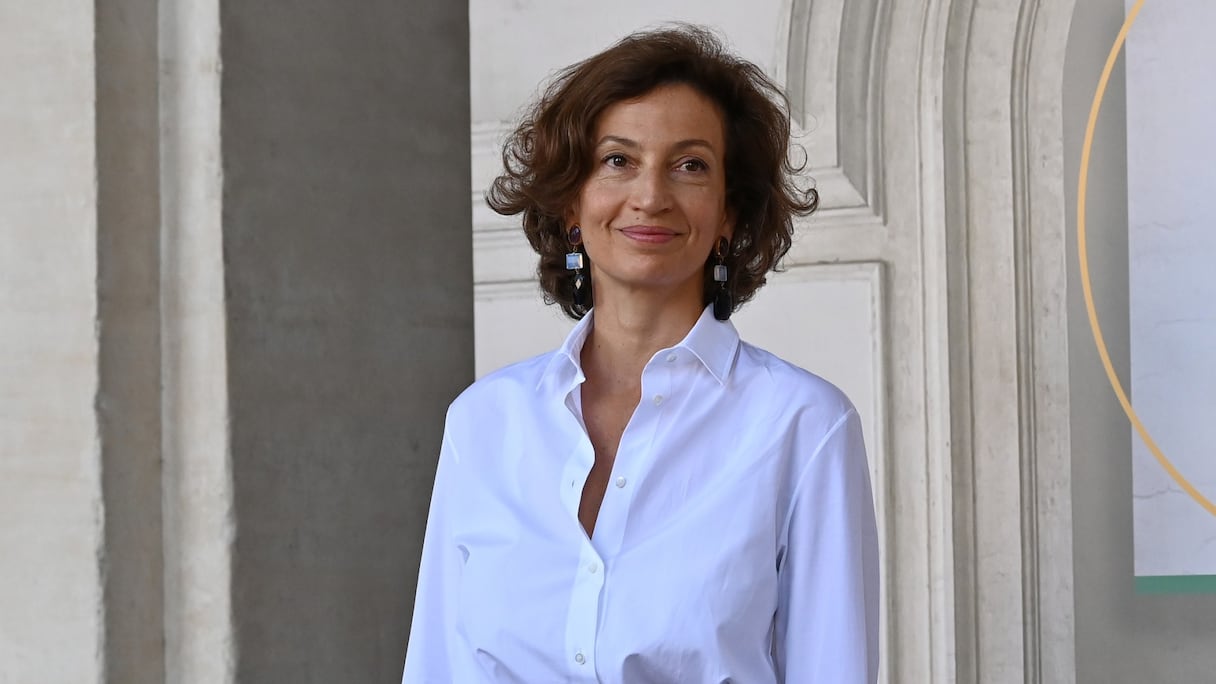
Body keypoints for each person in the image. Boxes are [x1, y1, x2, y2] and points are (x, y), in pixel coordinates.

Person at [402, 24, 879, 684]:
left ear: (730, 215)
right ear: (572, 202)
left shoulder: (803, 426)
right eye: (617, 160)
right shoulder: (483, 424)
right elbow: (437, 669)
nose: (650, 196)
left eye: (690, 165)